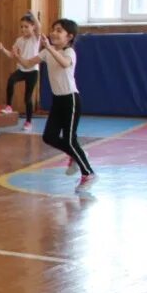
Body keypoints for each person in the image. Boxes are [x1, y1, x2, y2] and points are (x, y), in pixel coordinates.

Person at [39, 19, 96, 192]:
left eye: (59, 31)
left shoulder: (69, 52)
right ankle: (77, 154)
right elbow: (27, 63)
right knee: (49, 136)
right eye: (53, 29)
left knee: (70, 139)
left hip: (70, 100)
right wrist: (14, 55)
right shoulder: (47, 52)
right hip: (57, 100)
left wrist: (48, 48)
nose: (54, 33)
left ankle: (88, 173)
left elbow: (64, 64)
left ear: (69, 37)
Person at [0, 12, 41, 132]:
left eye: (26, 26)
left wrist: (34, 16)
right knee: (11, 80)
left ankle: (28, 121)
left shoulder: (35, 38)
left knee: (27, 98)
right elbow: (12, 55)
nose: (23, 29)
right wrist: (3, 49)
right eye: (22, 26)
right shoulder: (19, 40)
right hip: (21, 69)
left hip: (32, 71)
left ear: (33, 27)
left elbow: (39, 27)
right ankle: (9, 106)